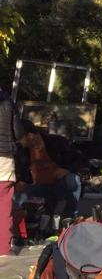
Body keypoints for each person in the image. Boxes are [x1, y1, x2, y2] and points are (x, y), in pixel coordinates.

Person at [14, 119, 83, 218]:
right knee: (16, 195)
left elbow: (81, 160)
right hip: (38, 188)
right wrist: (20, 181)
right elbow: (19, 171)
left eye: (19, 138)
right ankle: (14, 221)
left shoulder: (57, 142)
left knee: (73, 179)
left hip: (58, 186)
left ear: (30, 136)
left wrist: (67, 170)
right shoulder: (21, 151)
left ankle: (70, 216)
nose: (17, 141)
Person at [0, 88, 23, 255]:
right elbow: (19, 132)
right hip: (4, 158)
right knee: (4, 205)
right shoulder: (8, 101)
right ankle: (2, 249)